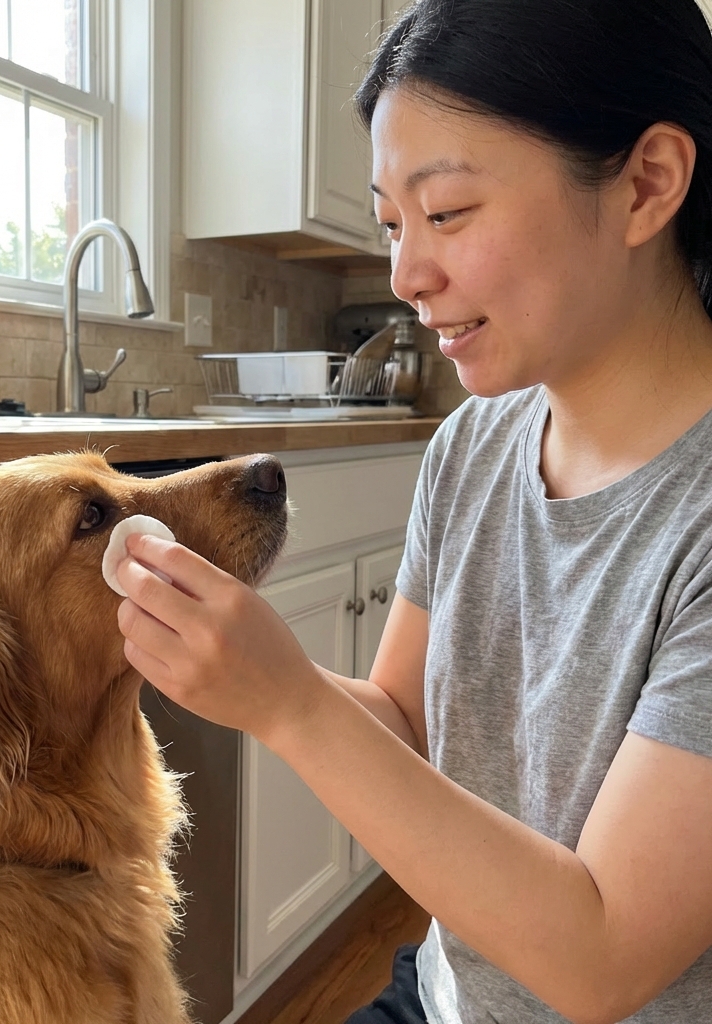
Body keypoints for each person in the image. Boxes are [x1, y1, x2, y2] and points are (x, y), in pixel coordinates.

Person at [114, 0, 712, 1021]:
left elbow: (605, 956)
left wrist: (288, 703)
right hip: (445, 992)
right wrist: (247, 670)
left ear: (645, 184)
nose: (406, 276)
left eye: (446, 214)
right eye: (392, 226)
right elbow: (402, 722)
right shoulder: (472, 447)